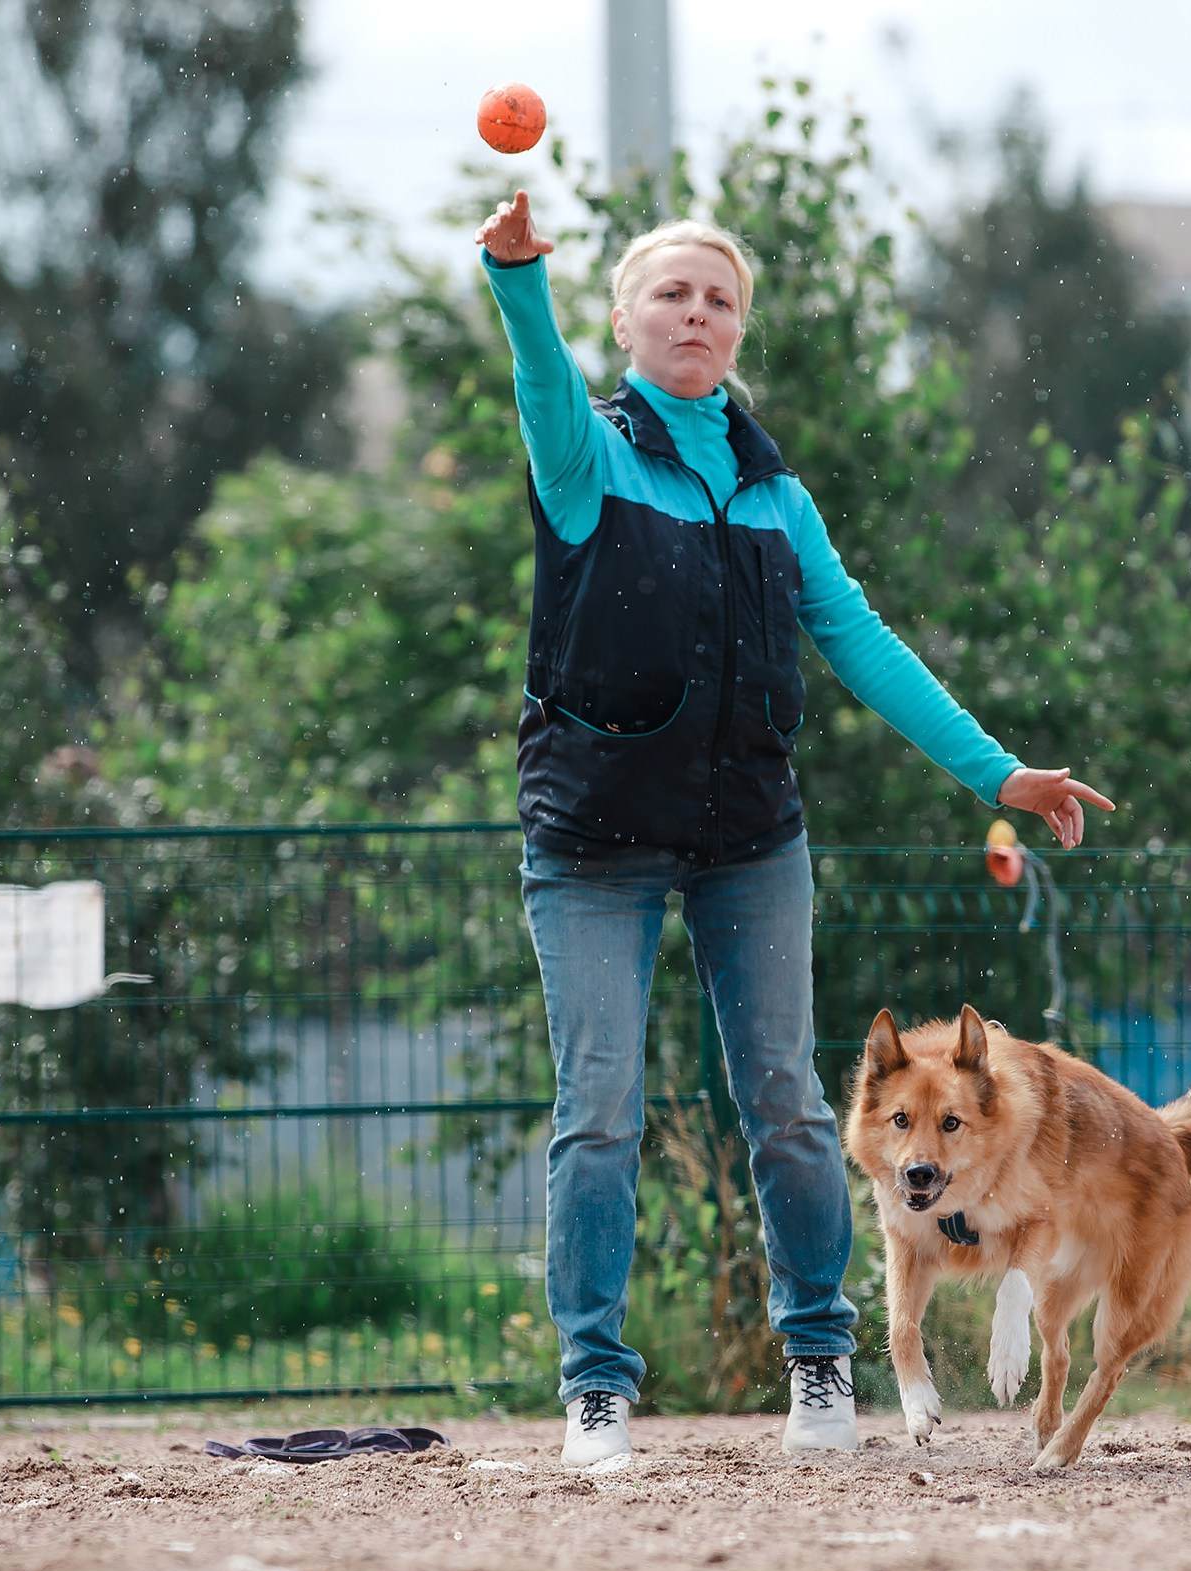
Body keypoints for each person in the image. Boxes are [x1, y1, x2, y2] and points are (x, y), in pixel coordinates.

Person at [475, 191, 1112, 1464]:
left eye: (718, 299)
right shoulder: (586, 457)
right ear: (625, 323)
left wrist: (998, 774)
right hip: (593, 836)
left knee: (789, 1103)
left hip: (748, 836)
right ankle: (595, 1386)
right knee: (599, 1112)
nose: (695, 313)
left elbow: (862, 645)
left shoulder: (777, 497)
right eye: (670, 294)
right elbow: (541, 383)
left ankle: (819, 1358)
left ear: (737, 332)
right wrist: (516, 281)